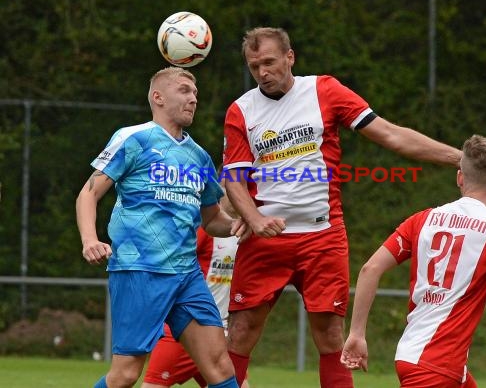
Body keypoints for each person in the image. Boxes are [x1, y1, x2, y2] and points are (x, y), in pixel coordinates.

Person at [222, 26, 463, 388]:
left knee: (331, 336)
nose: (263, 73)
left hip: (323, 235)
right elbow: (233, 179)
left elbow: (390, 134)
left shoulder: (324, 91)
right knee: (241, 332)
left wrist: (460, 158)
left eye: (270, 62)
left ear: (290, 58)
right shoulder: (241, 110)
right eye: (254, 66)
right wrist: (253, 218)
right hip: (265, 239)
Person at [76, 66, 249, 388]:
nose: (193, 99)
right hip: (140, 268)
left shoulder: (199, 157)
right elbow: (88, 194)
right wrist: (90, 239)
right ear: (158, 97)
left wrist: (241, 224)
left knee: (220, 367)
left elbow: (212, 220)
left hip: (186, 276)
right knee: (126, 374)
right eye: (184, 90)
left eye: (195, 93)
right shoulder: (133, 138)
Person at [341, 134, 486, 387]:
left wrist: (357, 333)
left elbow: (370, 269)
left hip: (418, 357)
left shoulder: (423, 219)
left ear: (460, 177)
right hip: (437, 365)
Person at [142, 179, 250, 388]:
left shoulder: (248, 230)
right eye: (239, 186)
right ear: (223, 186)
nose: (244, 193)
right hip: (186, 328)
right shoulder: (205, 228)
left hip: (220, 332)